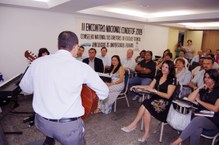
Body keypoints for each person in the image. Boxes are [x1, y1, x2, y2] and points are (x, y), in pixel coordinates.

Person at [19, 31, 109, 145]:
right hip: (67, 128)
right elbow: (104, 92)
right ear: (75, 47)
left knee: (50, 135)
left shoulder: (38, 63)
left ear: (58, 45)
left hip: (42, 123)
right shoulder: (81, 67)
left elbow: (25, 87)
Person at [121, 60, 176, 143]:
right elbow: (149, 87)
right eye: (163, 66)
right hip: (154, 101)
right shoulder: (158, 75)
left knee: (146, 104)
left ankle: (134, 125)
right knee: (147, 108)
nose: (164, 69)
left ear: (170, 69)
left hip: (165, 104)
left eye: (166, 67)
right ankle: (145, 133)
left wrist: (155, 91)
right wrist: (137, 86)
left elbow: (168, 96)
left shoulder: (172, 80)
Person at [171, 69, 219, 145]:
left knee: (197, 121)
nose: (206, 80)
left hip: (213, 119)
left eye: (209, 78)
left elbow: (215, 109)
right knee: (196, 128)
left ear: (215, 79)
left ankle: (176, 142)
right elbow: (190, 99)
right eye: (205, 77)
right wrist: (199, 88)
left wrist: (199, 101)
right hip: (200, 116)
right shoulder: (204, 89)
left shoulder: (218, 91)